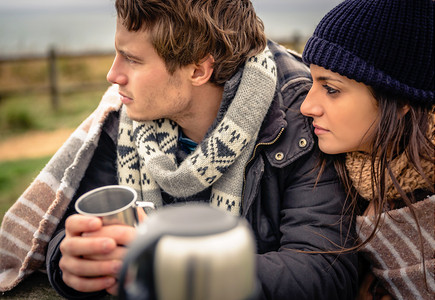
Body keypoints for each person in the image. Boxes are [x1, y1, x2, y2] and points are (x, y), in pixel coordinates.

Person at [0, 0, 358, 299]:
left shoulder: (302, 117)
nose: (113, 75)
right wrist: (71, 260)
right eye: (115, 54)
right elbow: (68, 225)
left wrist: (177, 267)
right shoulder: (126, 121)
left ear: (199, 69)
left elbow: (322, 269)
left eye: (133, 60)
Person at [300, 0, 434, 299]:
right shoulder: (348, 174)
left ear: (400, 102)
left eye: (331, 89)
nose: (306, 107)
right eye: (312, 82)